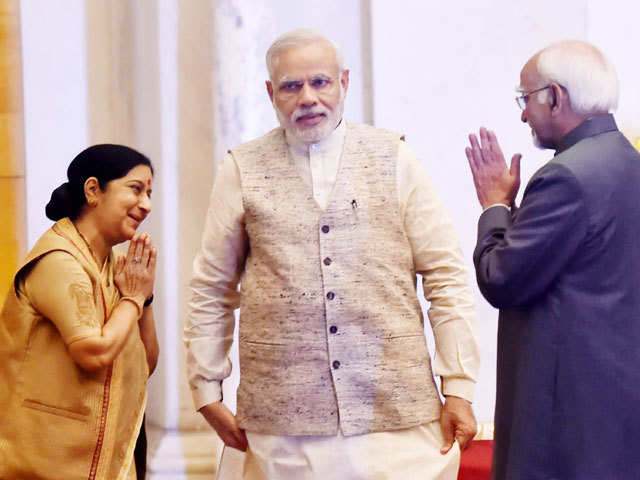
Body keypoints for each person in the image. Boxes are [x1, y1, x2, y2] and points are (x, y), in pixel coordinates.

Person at [185, 29, 479, 479]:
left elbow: (446, 275)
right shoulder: (241, 167)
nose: (307, 98)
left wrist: (458, 385)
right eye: (291, 86)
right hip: (283, 423)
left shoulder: (394, 156)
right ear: (270, 92)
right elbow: (212, 286)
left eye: (320, 82)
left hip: (394, 416)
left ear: (343, 82)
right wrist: (205, 387)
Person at [466, 40, 640, 479]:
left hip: (562, 425)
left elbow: (501, 278)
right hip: (614, 413)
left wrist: (494, 206)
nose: (524, 114)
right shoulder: (628, 161)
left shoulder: (566, 177)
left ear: (555, 97)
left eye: (525, 99)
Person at [0, 144, 159, 480]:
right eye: (135, 189)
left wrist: (144, 297)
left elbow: (147, 361)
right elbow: (93, 351)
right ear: (92, 190)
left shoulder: (113, 267)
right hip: (48, 463)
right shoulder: (60, 261)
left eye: (149, 192)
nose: (146, 204)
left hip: (103, 462)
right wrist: (132, 298)